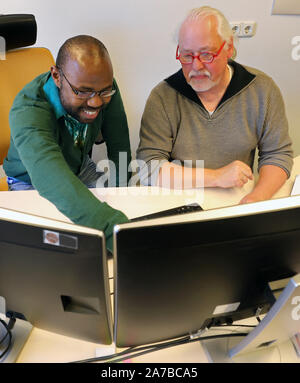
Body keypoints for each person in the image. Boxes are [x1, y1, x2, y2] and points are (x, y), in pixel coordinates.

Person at [136, 6, 293, 204]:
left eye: (207, 55)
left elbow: (277, 154)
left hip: (236, 200)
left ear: (228, 48)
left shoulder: (262, 89)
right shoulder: (163, 97)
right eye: (186, 56)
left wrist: (257, 197)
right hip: (178, 201)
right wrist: (217, 177)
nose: (196, 66)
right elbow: (148, 167)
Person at [3, 35, 132, 250]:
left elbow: (120, 145)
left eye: (103, 92)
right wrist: (118, 233)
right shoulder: (28, 110)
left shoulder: (103, 86)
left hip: (81, 168)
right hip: (30, 180)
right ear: (56, 76)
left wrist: (125, 196)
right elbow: (52, 178)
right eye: (82, 92)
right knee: (56, 248)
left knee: (127, 211)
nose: (96, 101)